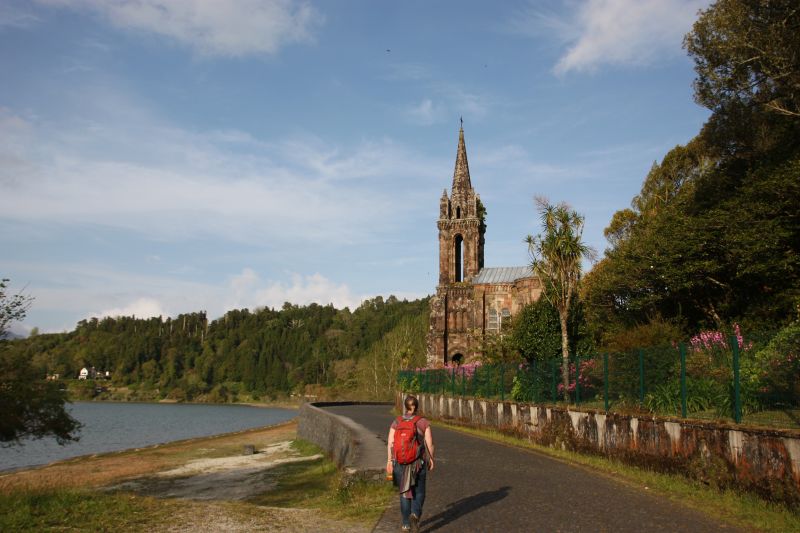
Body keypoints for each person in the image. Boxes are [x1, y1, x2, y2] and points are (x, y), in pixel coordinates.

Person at [387, 395, 435, 532]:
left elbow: (391, 442)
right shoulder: (423, 422)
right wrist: (431, 459)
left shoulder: (397, 422)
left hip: (400, 462)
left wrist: (389, 461)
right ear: (417, 406)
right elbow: (429, 443)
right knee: (419, 491)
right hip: (418, 463)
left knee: (404, 492)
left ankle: (406, 524)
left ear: (405, 406)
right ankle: (415, 514)